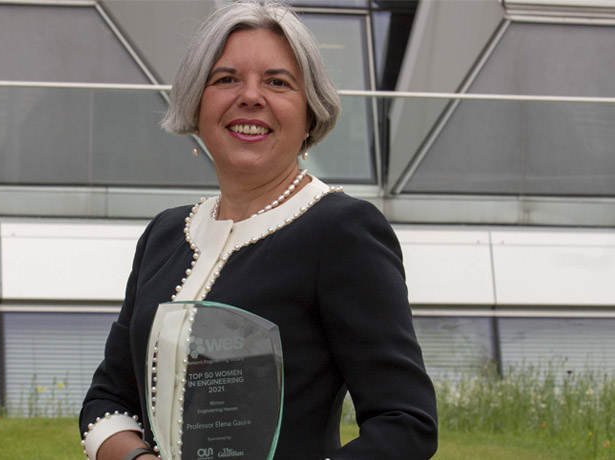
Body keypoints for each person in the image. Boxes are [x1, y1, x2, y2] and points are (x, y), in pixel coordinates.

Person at [79, 2, 437, 459]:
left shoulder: (340, 231)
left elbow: (406, 424)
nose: (250, 96)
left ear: (310, 112)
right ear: (197, 101)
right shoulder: (164, 236)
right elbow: (107, 400)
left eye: (277, 81)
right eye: (226, 79)